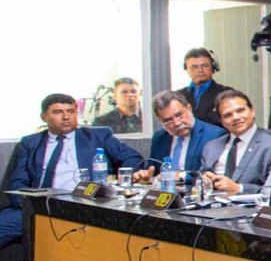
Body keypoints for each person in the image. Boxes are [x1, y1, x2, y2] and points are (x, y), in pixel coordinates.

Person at [1, 93, 144, 246]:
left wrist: (130, 175)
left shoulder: (98, 136)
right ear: (44, 117)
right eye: (58, 112)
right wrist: (26, 205)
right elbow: (17, 180)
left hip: (84, 203)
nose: (66, 117)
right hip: (38, 205)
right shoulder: (30, 142)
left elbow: (132, 158)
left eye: (71, 111)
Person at [201, 90, 271, 196]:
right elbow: (201, 179)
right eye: (228, 115)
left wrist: (239, 188)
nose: (235, 117)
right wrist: (206, 181)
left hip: (250, 208)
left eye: (240, 110)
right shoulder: (211, 147)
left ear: (252, 111)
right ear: (221, 121)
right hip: (210, 207)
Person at [139, 90, 226, 181]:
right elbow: (152, 172)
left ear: (189, 108)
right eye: (168, 120)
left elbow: (211, 174)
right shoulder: (160, 138)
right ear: (160, 121)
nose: (176, 123)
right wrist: (145, 176)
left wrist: (181, 176)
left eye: (179, 115)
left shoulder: (215, 135)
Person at [176, 48, 233, 128]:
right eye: (194, 67)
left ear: (213, 67)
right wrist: (209, 115)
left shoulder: (227, 93)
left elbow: (223, 119)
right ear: (187, 69)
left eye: (205, 66)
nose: (200, 70)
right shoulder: (177, 96)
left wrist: (186, 118)